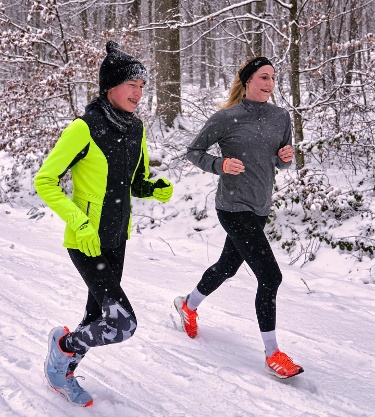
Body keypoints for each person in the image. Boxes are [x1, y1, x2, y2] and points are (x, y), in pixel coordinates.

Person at [34, 41, 173, 406]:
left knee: (97, 316)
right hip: (85, 241)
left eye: (143, 86)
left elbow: (135, 182)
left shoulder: (136, 129)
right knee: (122, 324)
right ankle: (62, 346)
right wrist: (78, 223)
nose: (138, 93)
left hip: (116, 239)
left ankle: (60, 373)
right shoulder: (84, 128)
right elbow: (45, 180)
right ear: (110, 86)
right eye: (132, 85)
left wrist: (153, 187)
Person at [174, 57, 303, 379]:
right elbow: (194, 152)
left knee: (227, 267)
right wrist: (220, 165)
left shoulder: (280, 117)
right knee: (270, 277)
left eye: (273, 78)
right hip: (232, 207)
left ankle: (187, 305)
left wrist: (285, 158)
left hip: (260, 206)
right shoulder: (226, 118)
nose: (270, 84)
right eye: (263, 77)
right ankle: (273, 353)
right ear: (247, 80)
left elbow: (281, 160)